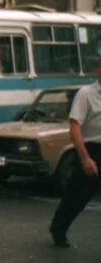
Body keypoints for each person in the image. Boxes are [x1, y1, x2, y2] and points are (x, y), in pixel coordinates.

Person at [50, 59, 101, 248]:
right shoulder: (86, 94)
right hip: (92, 150)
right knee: (77, 196)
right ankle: (58, 228)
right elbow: (75, 127)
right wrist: (85, 158)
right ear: (98, 69)